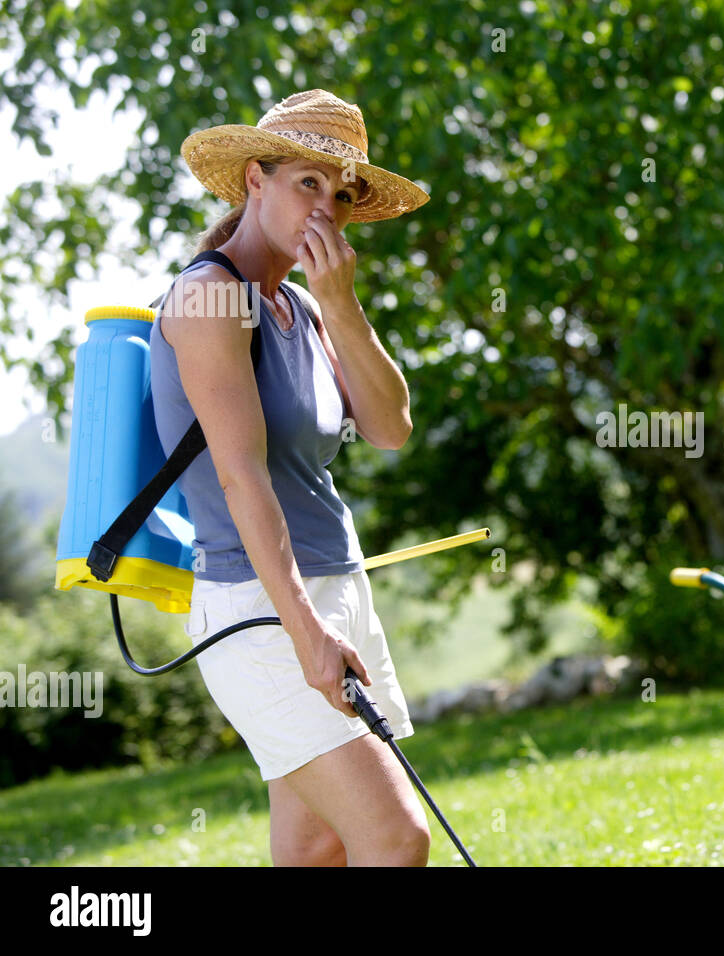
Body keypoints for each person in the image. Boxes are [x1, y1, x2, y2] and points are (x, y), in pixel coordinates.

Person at [149, 89, 433, 866]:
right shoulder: (209, 297)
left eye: (342, 196)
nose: (326, 210)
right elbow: (241, 478)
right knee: (395, 838)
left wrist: (341, 308)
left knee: (318, 848)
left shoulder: (304, 309)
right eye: (308, 182)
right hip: (263, 606)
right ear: (253, 180)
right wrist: (306, 631)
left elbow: (390, 428)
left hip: (337, 587)